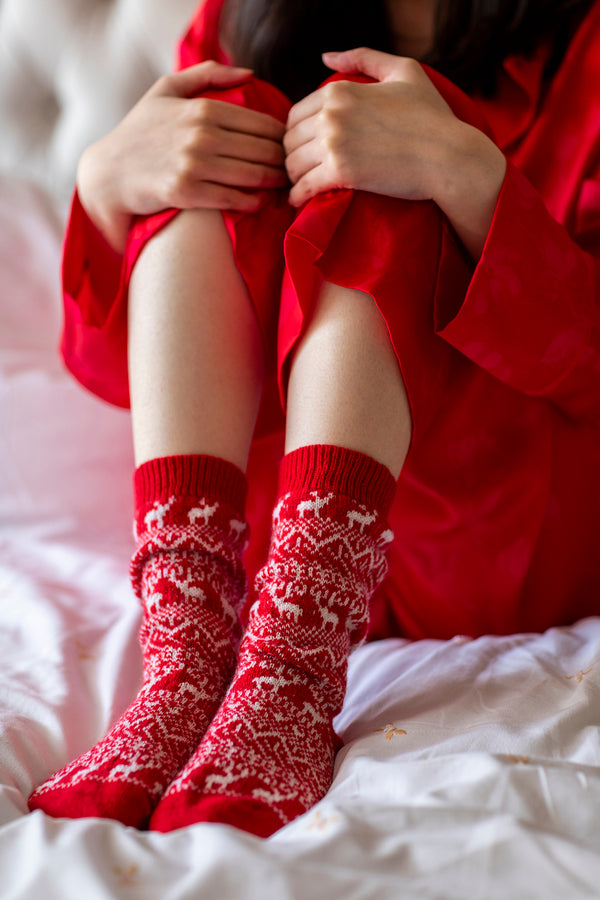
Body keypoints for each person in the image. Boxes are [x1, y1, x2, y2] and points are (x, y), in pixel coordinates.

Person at [28, 0, 600, 837]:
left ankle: (289, 679)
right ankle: (184, 668)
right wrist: (105, 186)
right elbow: (111, 371)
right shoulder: (242, 22)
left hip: (497, 524)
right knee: (211, 141)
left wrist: (470, 181)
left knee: (383, 146)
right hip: (267, 537)